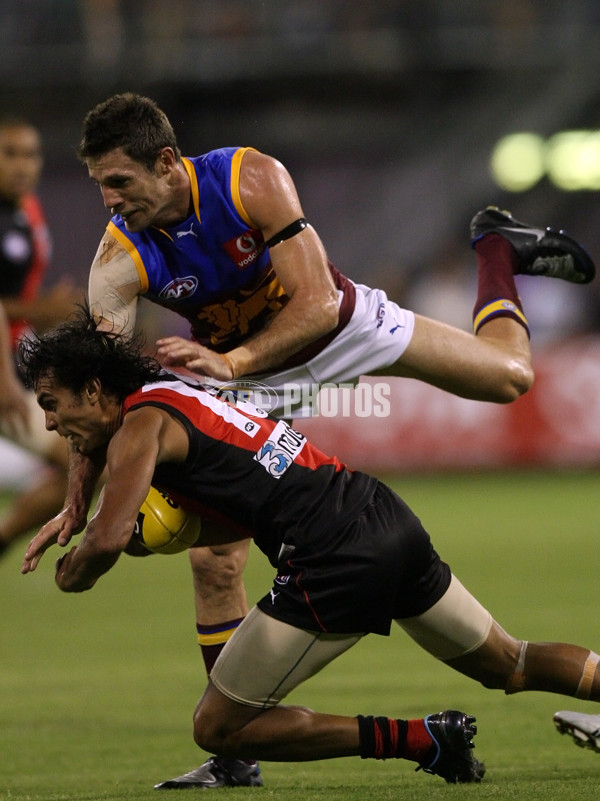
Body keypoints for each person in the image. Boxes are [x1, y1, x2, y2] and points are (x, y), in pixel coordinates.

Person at [34, 92, 595, 789]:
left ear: (167, 164)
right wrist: (75, 500)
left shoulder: (249, 179)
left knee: (509, 377)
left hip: (327, 327)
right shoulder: (118, 260)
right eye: (99, 187)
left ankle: (497, 250)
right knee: (213, 560)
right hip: (245, 376)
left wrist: (233, 362)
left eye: (120, 182)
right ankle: (236, 751)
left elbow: (317, 303)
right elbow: (100, 392)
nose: (112, 202)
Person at [19, 309, 600, 787]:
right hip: (379, 512)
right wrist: (97, 515)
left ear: (94, 389)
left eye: (51, 403)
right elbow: (240, 508)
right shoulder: (179, 393)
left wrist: (71, 570)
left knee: (220, 728)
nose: (49, 423)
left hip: (333, 558)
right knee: (510, 663)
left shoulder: (142, 424)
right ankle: (434, 738)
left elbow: (111, 538)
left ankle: (423, 739)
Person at [0, 115, 81, 557]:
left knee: (83, 460)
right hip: (2, 374)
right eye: (9, 154)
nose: (21, 165)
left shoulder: (27, 210)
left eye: (30, 155)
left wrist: (43, 314)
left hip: (13, 359)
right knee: (80, 458)